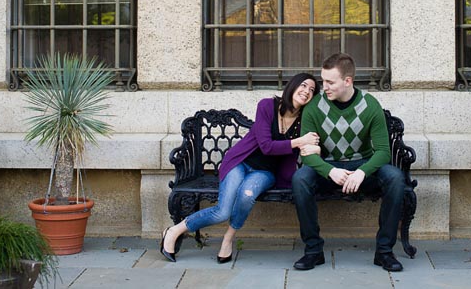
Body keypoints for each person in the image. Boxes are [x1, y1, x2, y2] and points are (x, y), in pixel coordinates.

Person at [161, 72, 321, 263]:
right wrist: (299, 141)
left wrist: (295, 177)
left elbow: (293, 156)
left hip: (265, 173)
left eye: (312, 90)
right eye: (303, 85)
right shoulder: (267, 106)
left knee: (247, 194)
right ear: (293, 86)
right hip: (240, 163)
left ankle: (228, 238)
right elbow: (266, 146)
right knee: (222, 211)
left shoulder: (304, 120)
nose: (306, 91)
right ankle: (174, 230)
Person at [291, 53, 406, 272]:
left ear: (348, 81)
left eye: (330, 82)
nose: (324, 86)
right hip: (329, 168)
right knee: (300, 179)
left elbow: (382, 152)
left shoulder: (369, 105)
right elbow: (307, 154)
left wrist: (362, 172)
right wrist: (329, 170)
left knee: (395, 178)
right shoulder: (314, 106)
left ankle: (384, 252)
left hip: (361, 167)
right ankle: (313, 251)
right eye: (323, 80)